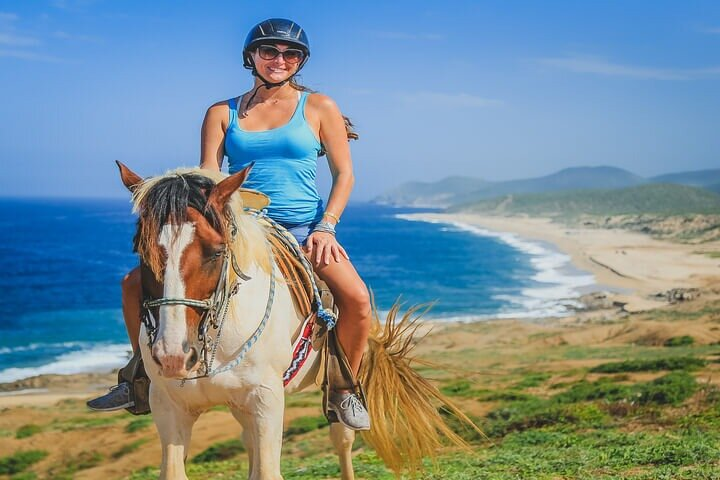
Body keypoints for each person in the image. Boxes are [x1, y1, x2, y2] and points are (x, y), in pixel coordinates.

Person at [87, 18, 372, 431]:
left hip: (301, 231)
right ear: (251, 57)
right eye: (269, 51)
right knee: (133, 283)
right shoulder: (222, 112)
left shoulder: (320, 107)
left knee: (358, 301)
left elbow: (344, 174)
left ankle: (343, 389)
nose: (279, 59)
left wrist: (326, 227)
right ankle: (139, 377)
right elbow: (208, 176)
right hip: (240, 225)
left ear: (300, 61)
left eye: (290, 53)